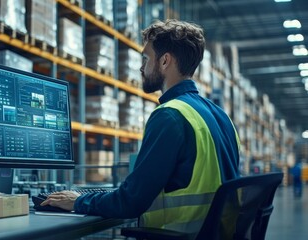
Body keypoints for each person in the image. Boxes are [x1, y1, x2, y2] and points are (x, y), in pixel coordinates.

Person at [41, 19, 240, 234]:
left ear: (165, 61)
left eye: (146, 58)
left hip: (180, 234)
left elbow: (130, 202)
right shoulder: (221, 116)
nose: (141, 67)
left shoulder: (171, 115)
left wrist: (78, 201)